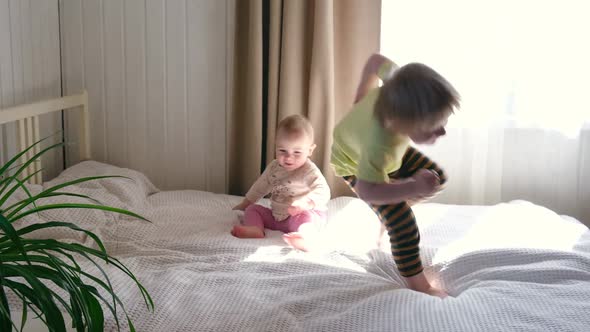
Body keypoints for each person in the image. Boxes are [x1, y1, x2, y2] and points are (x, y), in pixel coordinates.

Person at [330, 53, 460, 298]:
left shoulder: (398, 85)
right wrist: (410, 187)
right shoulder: (379, 145)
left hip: (390, 155)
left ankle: (389, 203)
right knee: (403, 225)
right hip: (354, 163)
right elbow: (368, 190)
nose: (443, 131)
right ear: (405, 124)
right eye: (434, 126)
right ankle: (421, 286)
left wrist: (360, 96)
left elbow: (374, 61)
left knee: (436, 177)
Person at [232, 115, 330, 250]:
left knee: (305, 219)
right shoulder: (274, 167)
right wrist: (245, 203)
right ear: (276, 146)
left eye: (297, 152)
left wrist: (306, 203)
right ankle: (255, 229)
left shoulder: (309, 171)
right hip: (277, 216)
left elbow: (323, 191)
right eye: (282, 150)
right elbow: (261, 185)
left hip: (301, 214)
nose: (288, 157)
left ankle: (306, 239)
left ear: (310, 150)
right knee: (253, 210)